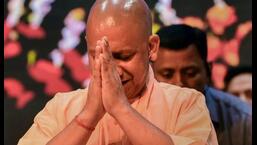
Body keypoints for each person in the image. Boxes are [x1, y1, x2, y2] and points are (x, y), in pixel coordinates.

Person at [18, 1, 218, 145]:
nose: (111, 70)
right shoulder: (61, 108)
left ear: (152, 47)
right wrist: (88, 117)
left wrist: (120, 108)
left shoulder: (186, 104)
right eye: (98, 55)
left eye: (123, 56)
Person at [152, 24, 252, 145]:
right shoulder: (135, 116)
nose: (179, 83)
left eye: (190, 73)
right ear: (150, 73)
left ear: (208, 71)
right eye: (167, 74)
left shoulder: (244, 121)